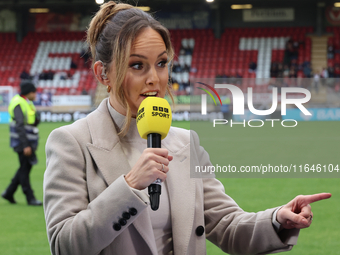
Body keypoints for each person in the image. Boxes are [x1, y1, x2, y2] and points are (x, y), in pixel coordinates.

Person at [43, 2, 331, 255]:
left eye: (161, 63)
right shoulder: (71, 142)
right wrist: (129, 186)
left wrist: (277, 219)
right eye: (137, 65)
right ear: (102, 73)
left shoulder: (184, 141)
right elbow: (64, 245)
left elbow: (225, 223)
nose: (154, 78)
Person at [2, 82, 42, 206]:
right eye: (34, 92)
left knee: (24, 168)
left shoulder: (26, 102)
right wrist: (25, 145)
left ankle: (9, 192)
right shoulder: (19, 103)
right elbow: (19, 125)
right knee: (24, 169)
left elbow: (31, 121)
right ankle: (30, 197)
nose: (36, 94)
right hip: (22, 142)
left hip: (27, 141)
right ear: (29, 92)